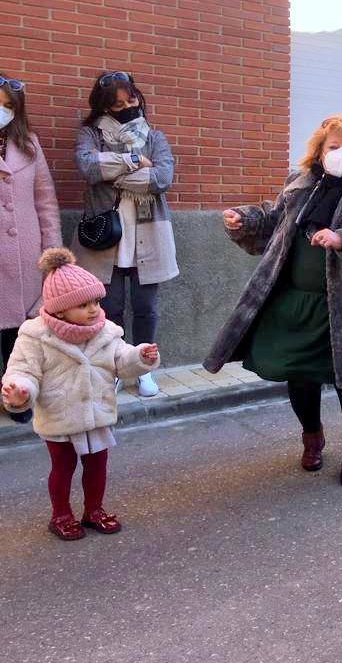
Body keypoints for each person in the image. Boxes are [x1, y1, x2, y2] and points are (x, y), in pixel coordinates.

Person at [208, 115, 342, 486]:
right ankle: (312, 438)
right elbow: (273, 223)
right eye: (334, 147)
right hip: (295, 302)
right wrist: (243, 220)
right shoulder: (299, 185)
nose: (341, 154)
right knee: (298, 375)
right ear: (320, 150)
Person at [1, 249, 159, 540]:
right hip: (60, 417)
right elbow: (24, 371)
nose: (93, 309)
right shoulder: (35, 336)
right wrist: (20, 391)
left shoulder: (106, 331)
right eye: (83, 304)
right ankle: (60, 514)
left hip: (96, 414)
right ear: (60, 309)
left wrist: (140, 357)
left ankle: (93, 510)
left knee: (98, 465)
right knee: (63, 467)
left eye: (96, 301)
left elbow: (122, 362)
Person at [71, 71, 177, 399]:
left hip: (149, 234)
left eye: (130, 99)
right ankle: (116, 367)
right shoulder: (91, 134)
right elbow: (88, 168)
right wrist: (134, 160)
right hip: (107, 238)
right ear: (104, 106)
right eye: (117, 103)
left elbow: (161, 178)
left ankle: (144, 369)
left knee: (146, 307)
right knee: (111, 308)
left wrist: (113, 174)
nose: (126, 106)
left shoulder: (155, 136)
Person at [0, 74, 61, 426]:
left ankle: (19, 398)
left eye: (9, 106)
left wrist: (52, 254)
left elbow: (46, 203)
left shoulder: (30, 145)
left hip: (26, 252)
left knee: (22, 334)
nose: (4, 111)